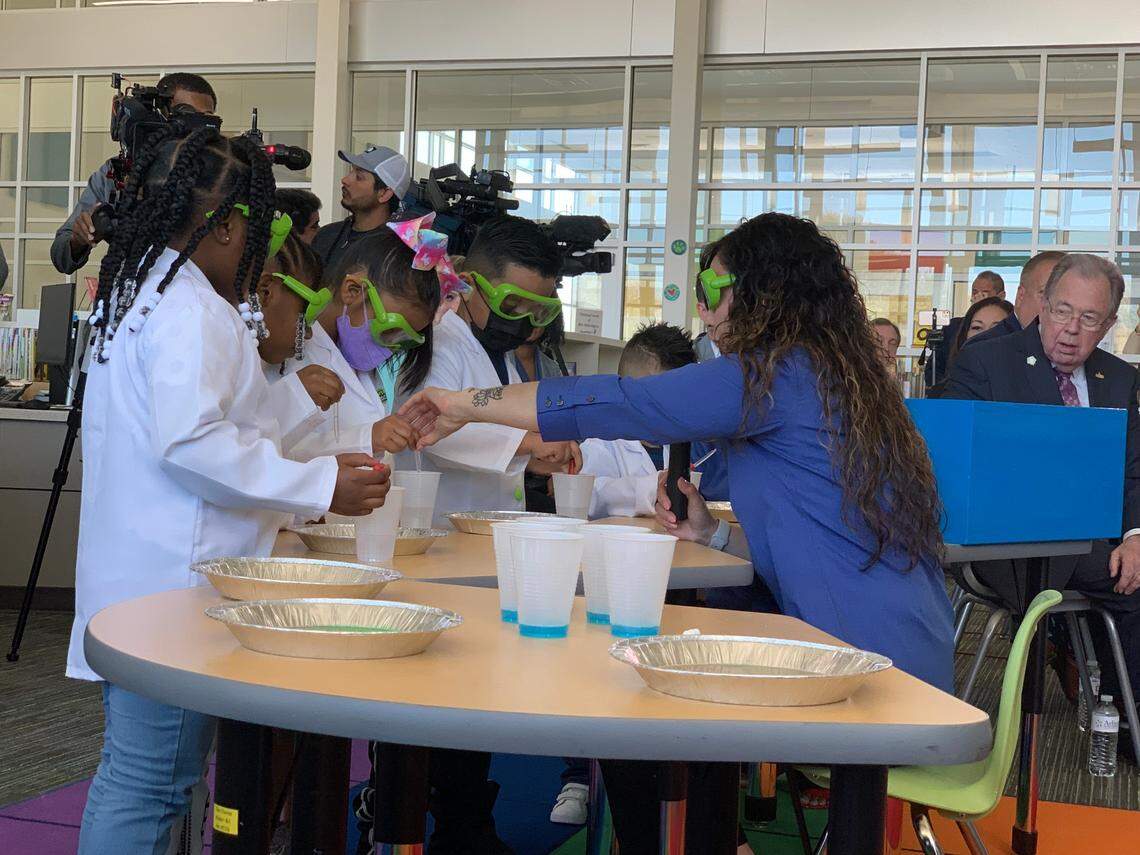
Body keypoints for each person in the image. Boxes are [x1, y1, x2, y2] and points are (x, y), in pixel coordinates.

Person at [401, 212, 954, 853]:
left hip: (860, 676)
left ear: (761, 295)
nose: (704, 309)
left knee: (635, 708)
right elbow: (828, 546)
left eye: (713, 290)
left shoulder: (770, 374)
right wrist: (712, 536)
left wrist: (459, 402)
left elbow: (628, 402)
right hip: (901, 656)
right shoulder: (843, 380)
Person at [71, 126, 389, 855]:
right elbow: (194, 446)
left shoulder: (143, 289)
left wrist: (302, 420)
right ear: (227, 226)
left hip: (138, 576)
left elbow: (212, 425)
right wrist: (320, 485)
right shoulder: (193, 310)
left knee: (142, 777)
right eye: (257, 232)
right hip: (172, 587)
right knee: (150, 783)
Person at [943, 253, 1140, 727]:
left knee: (1131, 570)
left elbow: (1133, 469)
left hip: (1096, 540)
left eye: (1089, 318)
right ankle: (1125, 721)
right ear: (1043, 305)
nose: (1071, 328)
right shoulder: (987, 361)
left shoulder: (1118, 378)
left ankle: (1115, 712)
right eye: (1061, 311)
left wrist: (1135, 535)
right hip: (1006, 543)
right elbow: (953, 459)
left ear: (1110, 323)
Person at [394, 214, 578, 524]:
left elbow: (504, 435)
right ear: (467, 285)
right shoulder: (436, 345)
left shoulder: (502, 355)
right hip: (440, 531)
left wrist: (538, 452)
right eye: (510, 306)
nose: (524, 321)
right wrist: (527, 444)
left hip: (488, 533)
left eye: (538, 311)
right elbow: (429, 429)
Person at [52, 73, 218, 276]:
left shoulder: (221, 174)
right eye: (184, 114)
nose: (194, 126)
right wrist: (78, 240)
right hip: (133, 296)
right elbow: (61, 257)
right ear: (159, 116)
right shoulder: (115, 175)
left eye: (205, 117)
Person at [311, 144, 410, 271]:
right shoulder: (326, 236)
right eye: (351, 171)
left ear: (385, 193)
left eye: (359, 177)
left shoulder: (397, 251)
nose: (345, 180)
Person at [964, 251, 1065, 348]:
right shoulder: (982, 349)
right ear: (1021, 296)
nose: (1059, 308)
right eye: (1046, 294)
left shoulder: (1073, 348)